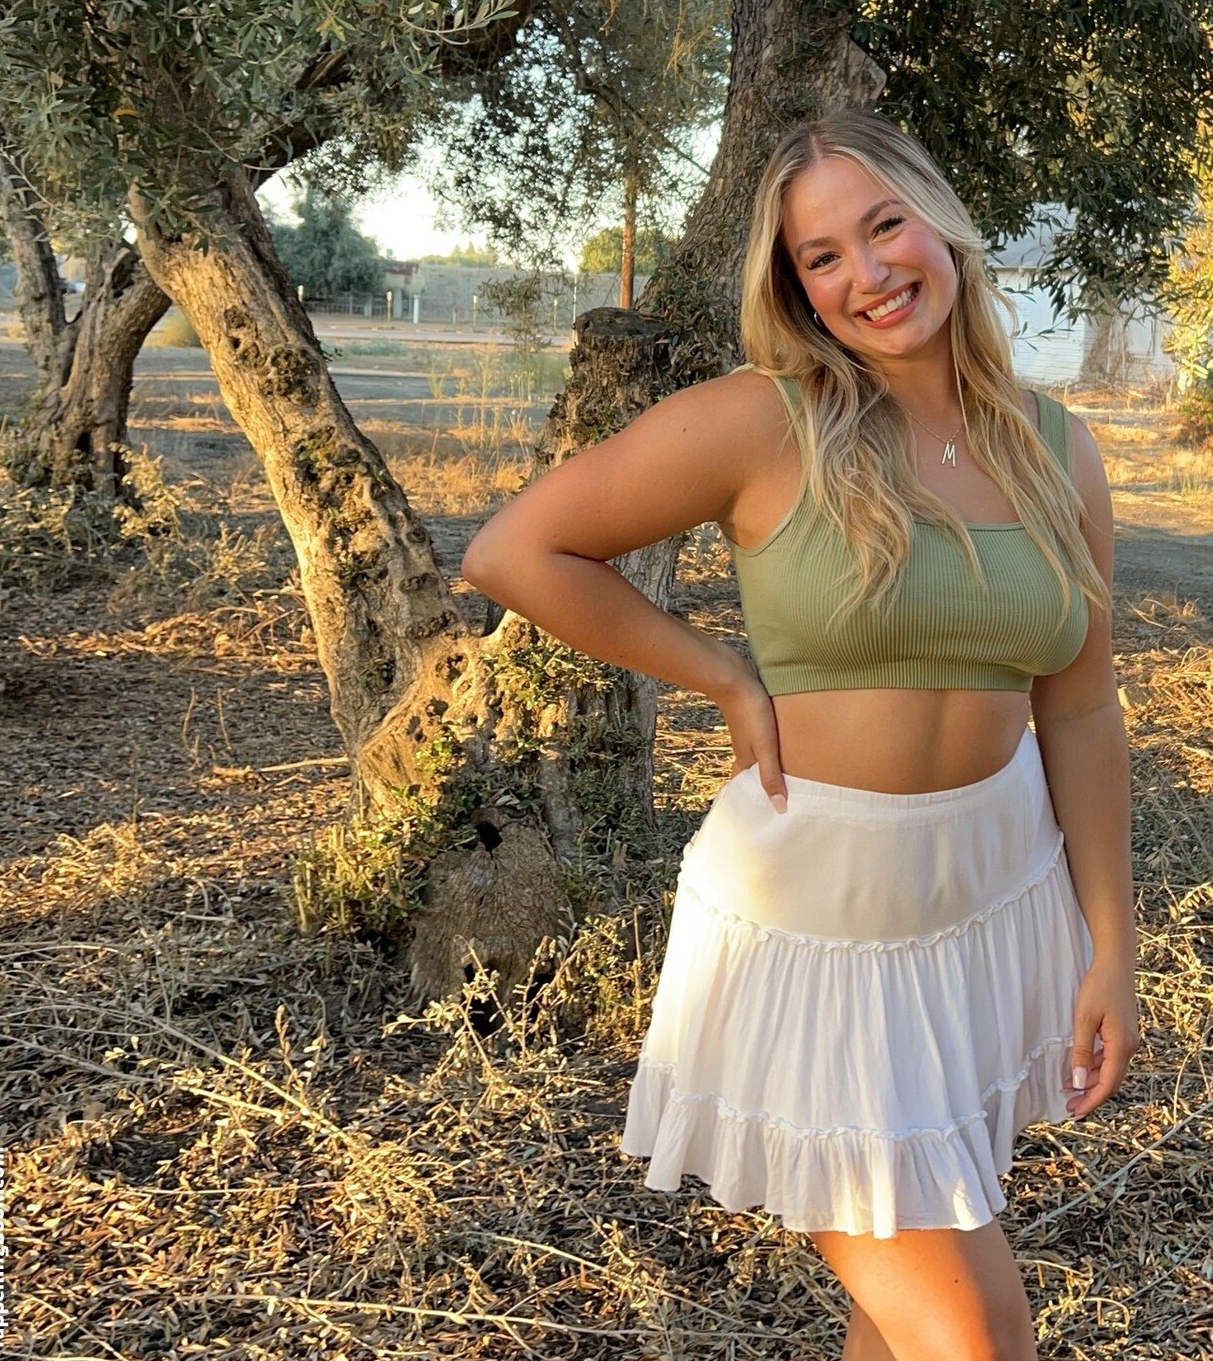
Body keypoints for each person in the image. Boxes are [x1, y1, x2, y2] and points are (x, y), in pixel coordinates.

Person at [460, 109, 1141, 1360]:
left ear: (941, 224)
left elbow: (1082, 708)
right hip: (813, 925)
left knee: (899, 1317)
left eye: (884, 227)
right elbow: (517, 550)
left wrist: (1113, 944)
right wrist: (720, 675)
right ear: (795, 289)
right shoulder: (765, 421)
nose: (867, 274)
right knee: (977, 1337)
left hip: (983, 909)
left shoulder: (1057, 450)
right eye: (822, 257)